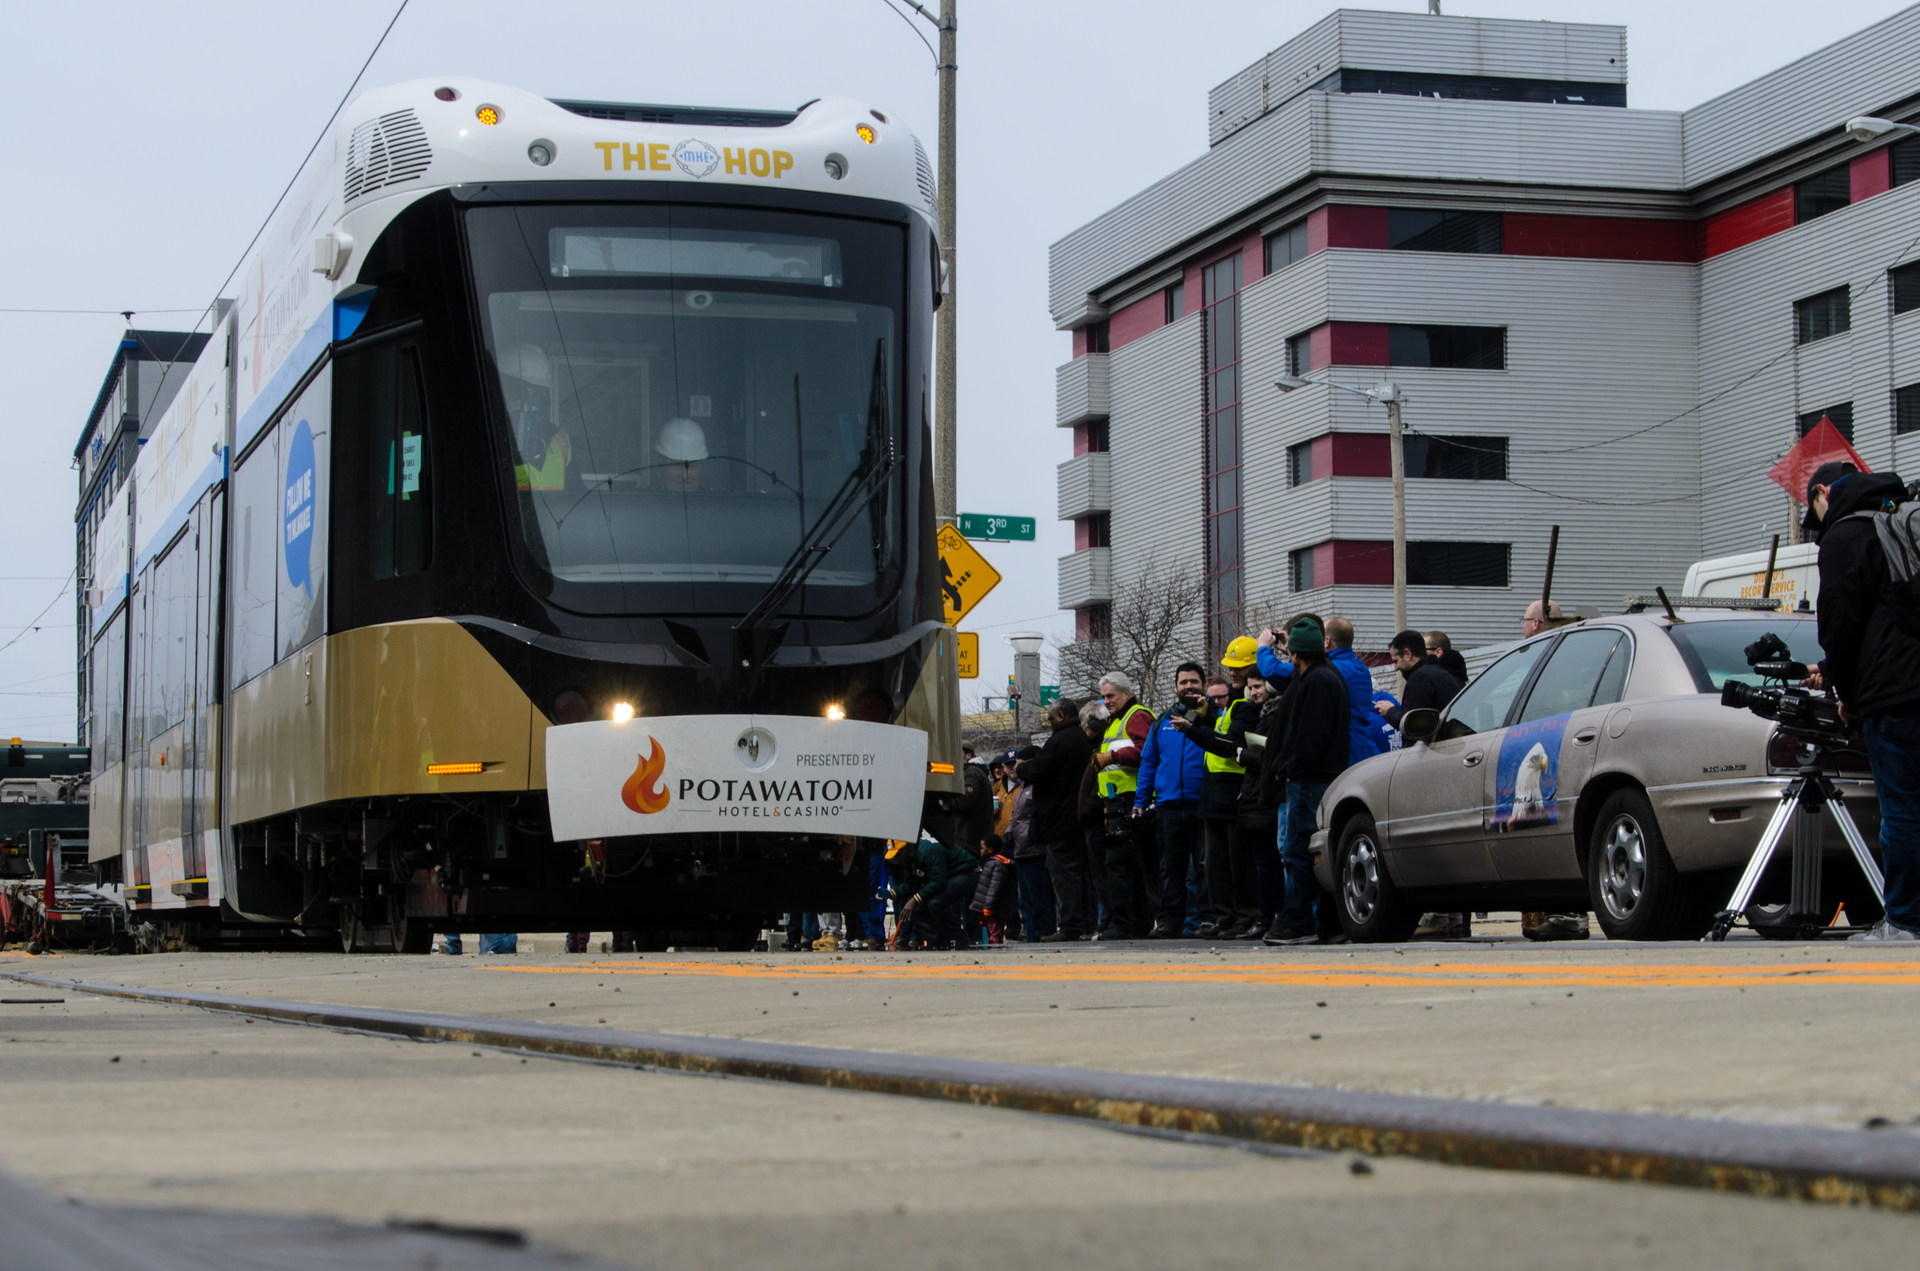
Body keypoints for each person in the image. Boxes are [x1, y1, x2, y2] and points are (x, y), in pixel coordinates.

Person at [1804, 461, 1920, 940]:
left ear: (1824, 492)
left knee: (1903, 810)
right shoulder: (1899, 521)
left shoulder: (1844, 537)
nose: (1817, 528)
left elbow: (1841, 628)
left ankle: (1907, 921)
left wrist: (1846, 694)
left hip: (1895, 699)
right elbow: (1888, 619)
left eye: (1814, 511)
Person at [1270, 617, 1352, 945]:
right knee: (1320, 850)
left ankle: (1298, 921)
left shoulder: (1316, 681)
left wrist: (1290, 767)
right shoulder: (1328, 676)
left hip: (1308, 780)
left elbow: (1311, 736)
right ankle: (1329, 923)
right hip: (1319, 777)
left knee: (1299, 852)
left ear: (1297, 655)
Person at [1176, 674, 1261, 938]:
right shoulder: (1221, 713)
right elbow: (1218, 734)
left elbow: (1227, 745)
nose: (1214, 701)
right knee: (1213, 864)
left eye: (1219, 697)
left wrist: (1192, 729)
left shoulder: (1242, 709)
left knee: (1240, 863)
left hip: (1234, 793)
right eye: (1211, 698)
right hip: (1212, 794)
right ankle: (1224, 917)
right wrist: (1202, 717)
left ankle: (1245, 916)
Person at [1133, 662, 1209, 938]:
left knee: (1204, 867)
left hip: (1203, 804)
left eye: (1194, 681)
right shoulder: (1162, 721)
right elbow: (1149, 763)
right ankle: (1168, 922)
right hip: (1167, 808)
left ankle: (1207, 920)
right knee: (1170, 869)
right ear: (1176, 687)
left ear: (1203, 683)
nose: (1189, 686)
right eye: (1183, 682)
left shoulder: (1212, 716)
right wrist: (1141, 800)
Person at [1016, 699, 1097, 941]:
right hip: (1081, 817)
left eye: (1050, 719)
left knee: (1065, 875)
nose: (1050, 724)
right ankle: (1086, 924)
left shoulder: (1060, 740)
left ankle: (1070, 925)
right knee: (1083, 875)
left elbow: (1037, 771)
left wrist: (1021, 768)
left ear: (1061, 715)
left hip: (1059, 820)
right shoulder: (1084, 739)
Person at [1258, 616, 1383, 766]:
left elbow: (1276, 672)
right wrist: (1293, 650)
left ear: (1327, 641)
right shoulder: (1361, 669)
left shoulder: (1327, 670)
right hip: (1363, 751)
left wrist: (1263, 648)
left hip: (1338, 756)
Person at [1093, 671, 1156, 939]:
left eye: (1111, 695)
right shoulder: (1115, 720)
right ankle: (1137, 923)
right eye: (1104, 696)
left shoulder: (1137, 715)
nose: (1106, 701)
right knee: (1130, 867)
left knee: (1119, 866)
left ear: (1126, 694)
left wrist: (1110, 756)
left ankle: (1122, 924)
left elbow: (1147, 751)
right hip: (1117, 802)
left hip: (1130, 802)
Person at [885, 834, 980, 949]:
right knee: (918, 908)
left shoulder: (926, 852)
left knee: (936, 902)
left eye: (898, 855)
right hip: (948, 876)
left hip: (968, 872)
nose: (896, 859)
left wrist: (915, 899)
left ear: (907, 848)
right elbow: (911, 884)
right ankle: (939, 941)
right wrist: (890, 893)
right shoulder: (908, 859)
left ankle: (960, 939)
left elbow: (938, 882)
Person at [1076, 701, 1115, 933]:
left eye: (1085, 725)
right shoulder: (1094, 747)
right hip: (1098, 816)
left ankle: (1109, 918)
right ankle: (1109, 918)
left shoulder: (1102, 748)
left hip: (1101, 818)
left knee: (1104, 874)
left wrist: (1089, 808)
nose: (1083, 730)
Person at [1003, 767, 1055, 941]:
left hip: (1034, 849)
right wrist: (1009, 831)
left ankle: (1043, 935)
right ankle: (1032, 937)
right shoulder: (1022, 790)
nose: (1017, 768)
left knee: (1039, 898)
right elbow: (1015, 817)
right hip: (1021, 850)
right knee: (1026, 901)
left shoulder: (1036, 788)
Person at [1374, 630, 1461, 728]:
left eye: (1396, 661)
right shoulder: (1440, 673)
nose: (1395, 668)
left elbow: (1411, 726)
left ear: (1407, 654)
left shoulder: (1420, 678)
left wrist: (1390, 711)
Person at [944, 743, 997, 856]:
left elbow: (965, 801)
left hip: (969, 844)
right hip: (970, 842)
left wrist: (944, 794)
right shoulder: (969, 773)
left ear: (968, 755)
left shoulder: (972, 772)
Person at [655, 417, 707, 492]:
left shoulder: (715, 503)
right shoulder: (643, 502)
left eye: (692, 466)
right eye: (676, 465)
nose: (684, 476)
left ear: (702, 470)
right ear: (659, 469)